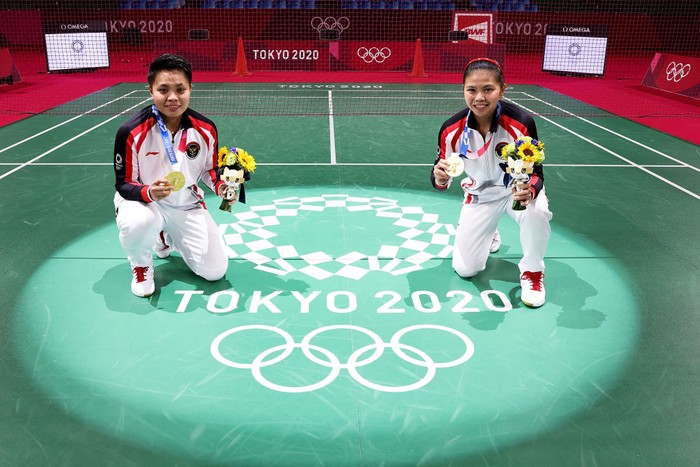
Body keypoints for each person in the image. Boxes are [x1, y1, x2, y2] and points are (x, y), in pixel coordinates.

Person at [431, 57, 552, 308]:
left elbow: (537, 170)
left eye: (488, 89)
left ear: (502, 90)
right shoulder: (451, 130)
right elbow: (438, 175)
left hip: (514, 191)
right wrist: (440, 178)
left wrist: (531, 190)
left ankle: (532, 272)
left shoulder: (521, 123)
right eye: (471, 90)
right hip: (480, 197)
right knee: (465, 270)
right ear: (463, 90)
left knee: (538, 211)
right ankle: (490, 232)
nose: (479, 98)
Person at [113, 53, 233, 297]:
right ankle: (141, 263)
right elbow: (123, 184)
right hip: (144, 203)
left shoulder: (206, 129)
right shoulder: (131, 131)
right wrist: (148, 192)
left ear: (190, 88)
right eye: (163, 90)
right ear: (151, 90)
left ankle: (165, 237)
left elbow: (210, 170)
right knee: (138, 223)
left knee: (215, 271)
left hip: (185, 204)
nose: (172, 98)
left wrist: (221, 187)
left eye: (180, 89)